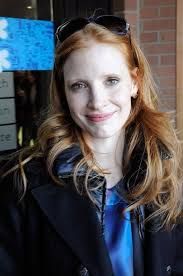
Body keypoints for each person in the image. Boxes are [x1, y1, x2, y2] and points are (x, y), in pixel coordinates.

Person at [0, 14, 183, 276]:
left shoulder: (167, 167)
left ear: (135, 82)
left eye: (111, 81)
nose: (97, 101)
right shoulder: (21, 183)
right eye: (79, 85)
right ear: (64, 93)